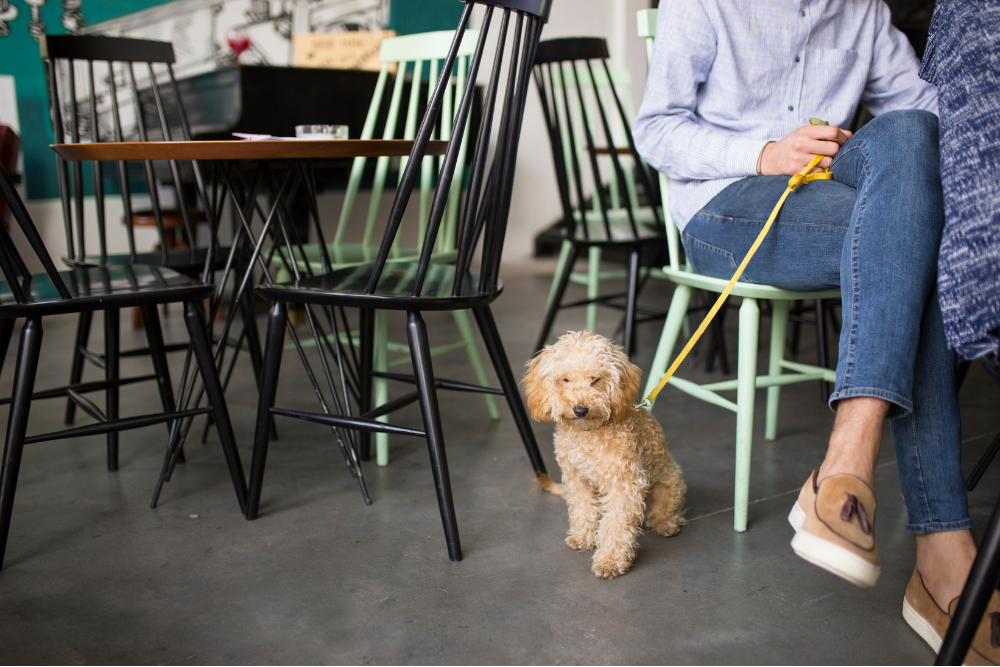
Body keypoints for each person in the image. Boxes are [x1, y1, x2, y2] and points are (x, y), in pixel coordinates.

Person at [633, 1, 994, 661]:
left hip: (833, 191)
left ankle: (845, 462)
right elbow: (656, 130)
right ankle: (943, 554)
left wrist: (888, 161)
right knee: (921, 244)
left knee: (912, 132)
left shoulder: (862, 10)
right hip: (726, 200)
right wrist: (765, 152)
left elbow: (927, 110)